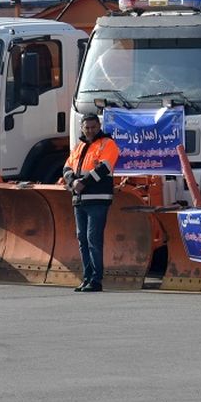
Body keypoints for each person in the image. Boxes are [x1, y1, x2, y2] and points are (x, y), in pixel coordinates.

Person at [62, 114, 120, 293]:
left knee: (93, 239)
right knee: (82, 240)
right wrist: (72, 183)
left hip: (98, 199)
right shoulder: (79, 147)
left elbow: (104, 168)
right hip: (79, 200)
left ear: (99, 126)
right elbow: (66, 168)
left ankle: (96, 280)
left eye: (93, 127)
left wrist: (81, 183)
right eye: (87, 127)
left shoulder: (107, 144)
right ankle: (86, 278)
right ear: (81, 128)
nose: (90, 130)